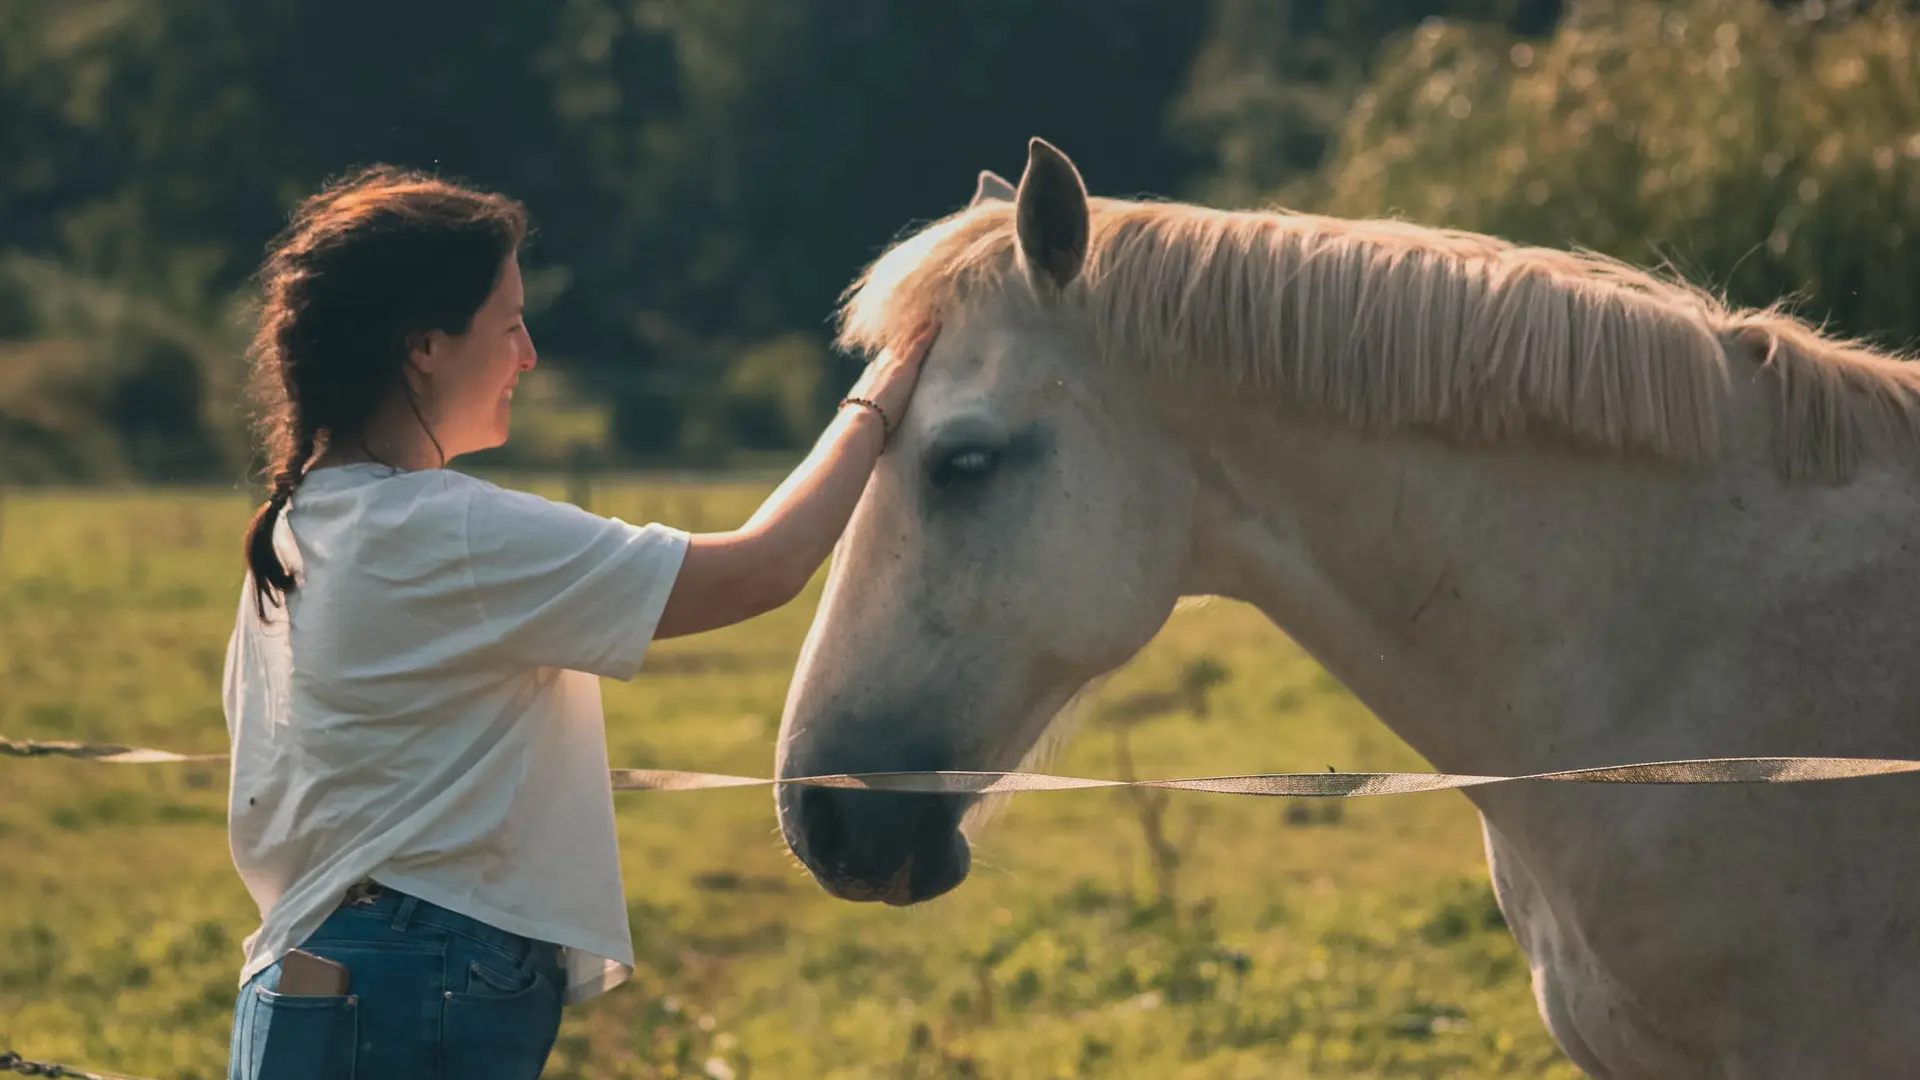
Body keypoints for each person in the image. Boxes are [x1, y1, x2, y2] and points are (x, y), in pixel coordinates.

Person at [221, 165, 936, 1080]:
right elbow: (761, 568)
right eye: (508, 322)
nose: (528, 354)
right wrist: (879, 400)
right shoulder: (442, 529)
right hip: (417, 972)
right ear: (425, 348)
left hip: (308, 969)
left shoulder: (296, 527)